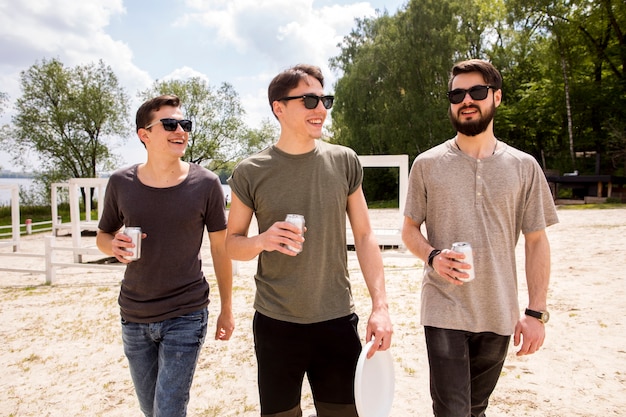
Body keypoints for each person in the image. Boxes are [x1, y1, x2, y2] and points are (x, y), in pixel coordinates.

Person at [225, 64, 393, 417]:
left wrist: (380, 307)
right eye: (310, 100)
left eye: (324, 99)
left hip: (336, 320)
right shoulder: (250, 171)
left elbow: (364, 236)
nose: (321, 109)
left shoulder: (344, 160)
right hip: (275, 323)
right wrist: (263, 240)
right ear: (279, 108)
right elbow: (232, 245)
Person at [401, 59, 559, 417]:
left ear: (497, 97)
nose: (466, 100)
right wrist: (432, 256)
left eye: (477, 91)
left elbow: (536, 241)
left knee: (475, 408)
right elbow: (409, 230)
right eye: (457, 93)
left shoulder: (524, 166)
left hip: (498, 312)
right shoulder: (427, 163)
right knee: (453, 410)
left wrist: (535, 312)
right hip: (444, 307)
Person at [96, 94, 234, 417]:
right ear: (144, 134)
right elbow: (103, 236)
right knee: (151, 411)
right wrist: (112, 245)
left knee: (168, 411)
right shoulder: (120, 183)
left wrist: (227, 308)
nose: (180, 131)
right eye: (170, 124)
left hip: (186, 314)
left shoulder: (207, 184)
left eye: (184, 124)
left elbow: (220, 248)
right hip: (134, 315)